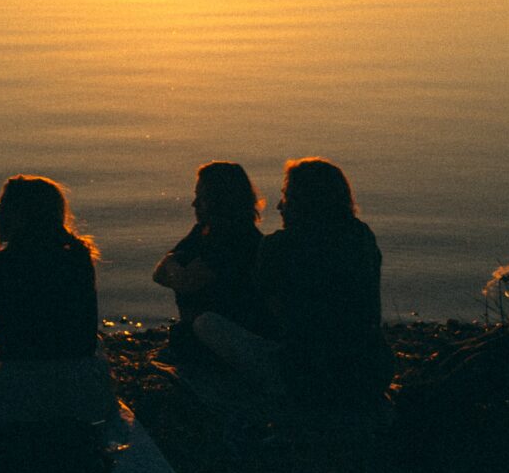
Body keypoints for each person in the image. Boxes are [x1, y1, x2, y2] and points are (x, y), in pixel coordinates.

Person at [193, 157, 390, 414]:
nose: (278, 206)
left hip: (305, 377)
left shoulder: (279, 247)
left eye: (286, 196)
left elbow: (273, 315)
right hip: (374, 370)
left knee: (205, 323)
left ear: (301, 201)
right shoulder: (362, 236)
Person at [0, 175, 114, 426]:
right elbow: (85, 340)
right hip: (83, 395)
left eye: (0, 207)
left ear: (16, 216)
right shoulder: (79, 260)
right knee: (99, 344)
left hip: (18, 396)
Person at [152, 161, 273, 357]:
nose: (194, 204)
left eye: (201, 197)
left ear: (220, 200)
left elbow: (185, 281)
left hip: (234, 330)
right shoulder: (203, 232)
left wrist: (174, 267)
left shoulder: (238, 239)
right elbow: (159, 274)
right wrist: (176, 268)